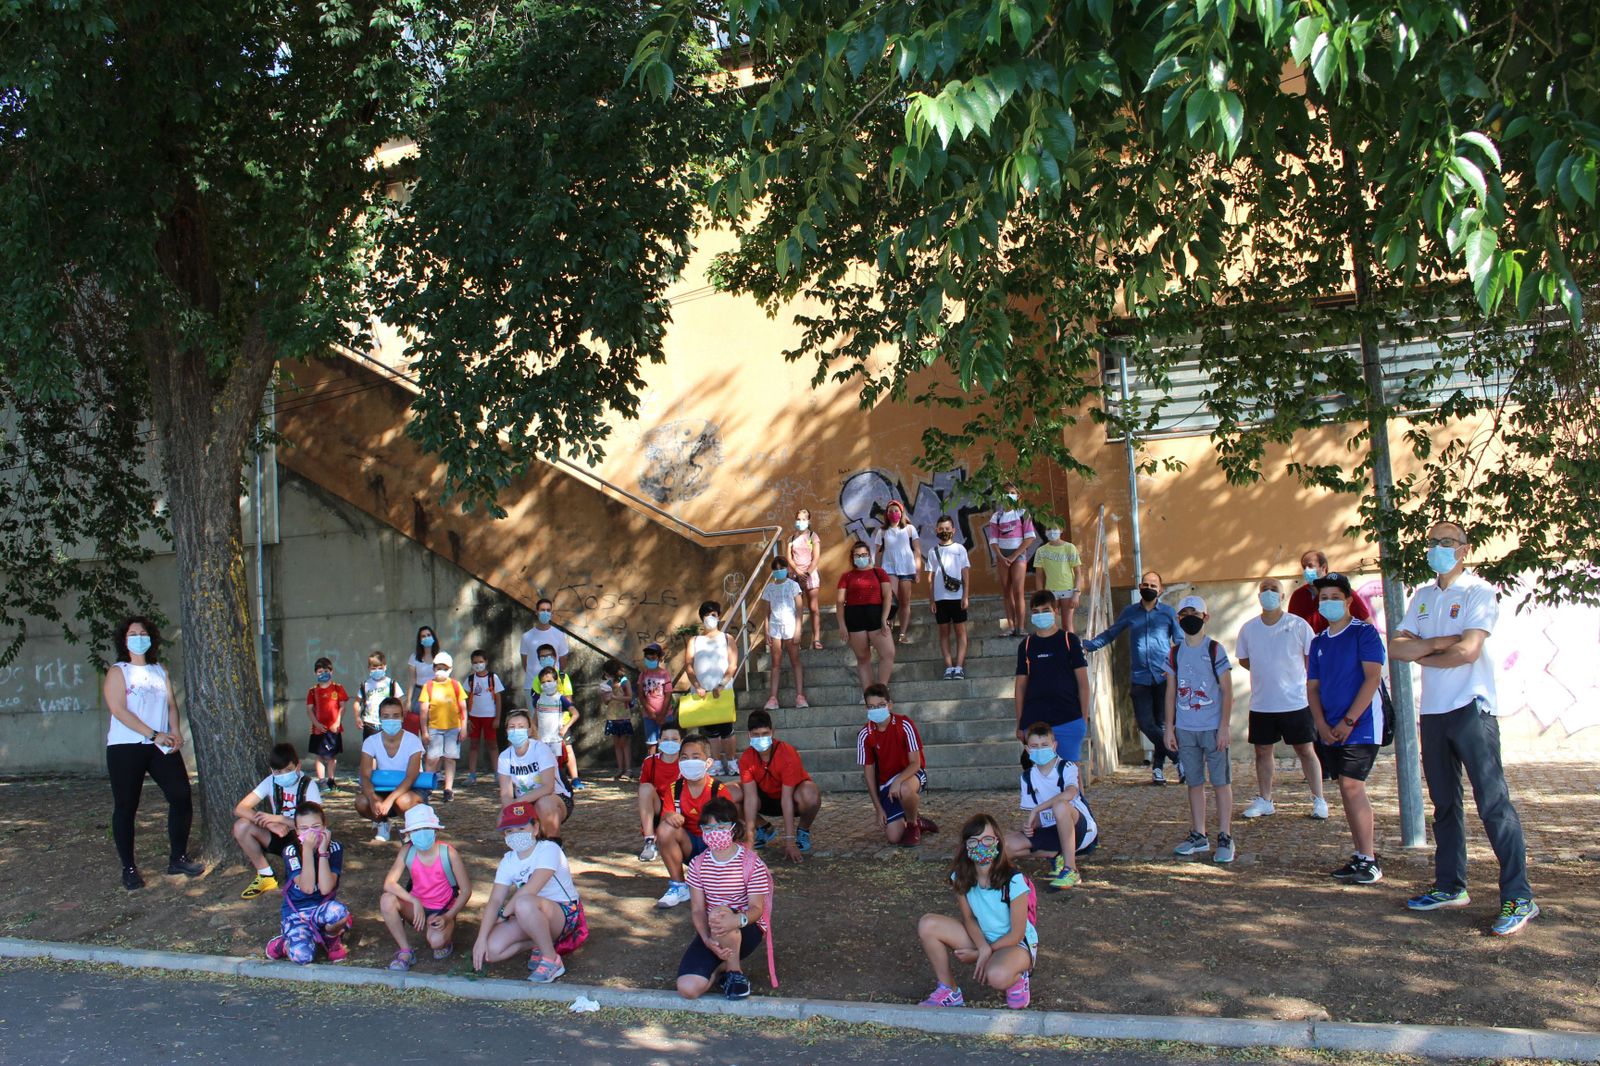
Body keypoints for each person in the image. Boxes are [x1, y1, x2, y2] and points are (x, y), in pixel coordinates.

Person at [1391, 521, 1535, 936]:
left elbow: (1469, 650)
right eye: (1432, 541)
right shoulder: (1421, 596)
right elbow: (1398, 649)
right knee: (1445, 805)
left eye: (1447, 542)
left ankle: (1519, 895)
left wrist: (1425, 649)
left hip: (1472, 708)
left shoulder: (1477, 592)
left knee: (1493, 803)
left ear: (1464, 549)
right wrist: (1441, 644)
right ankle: (1451, 886)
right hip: (1434, 711)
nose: (1438, 547)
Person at [102, 616, 203, 890]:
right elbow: (119, 709)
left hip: (160, 746)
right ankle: (129, 868)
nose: (138, 637)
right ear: (124, 640)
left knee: (181, 795)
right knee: (126, 806)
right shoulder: (118, 671)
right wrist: (153, 733)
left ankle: (178, 858)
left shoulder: (159, 670)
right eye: (132, 633)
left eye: (143, 633)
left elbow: (171, 703)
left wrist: (175, 730)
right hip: (126, 748)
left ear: (151, 638)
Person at [1307, 573, 1387, 886]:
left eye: (1334, 597)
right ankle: (1361, 855)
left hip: (1362, 725)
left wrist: (1348, 721)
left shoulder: (1363, 633)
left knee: (1353, 786)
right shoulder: (1318, 642)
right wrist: (1322, 724)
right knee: (1345, 788)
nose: (1328, 603)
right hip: (1330, 727)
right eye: (1323, 598)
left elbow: (1372, 678)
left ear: (1348, 600)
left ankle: (1370, 860)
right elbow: (1312, 687)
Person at [918, 813, 1038, 1009]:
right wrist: (982, 947)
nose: (981, 846)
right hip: (982, 938)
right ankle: (949, 990)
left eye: (987, 839)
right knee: (928, 924)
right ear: (965, 847)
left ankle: (1018, 976)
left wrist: (981, 953)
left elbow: (1017, 934)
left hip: (1015, 944)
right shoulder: (961, 877)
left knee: (997, 977)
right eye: (974, 841)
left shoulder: (1014, 880)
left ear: (998, 842)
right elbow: (969, 919)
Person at [1236, 576, 1327, 821]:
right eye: (1264, 589)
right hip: (1262, 703)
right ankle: (1265, 800)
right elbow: (1244, 659)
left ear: (1283, 596)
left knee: (1305, 750)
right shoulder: (1249, 628)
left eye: (1273, 589)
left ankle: (1319, 799)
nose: (1268, 593)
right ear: (1258, 596)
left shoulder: (1298, 626)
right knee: (1263, 751)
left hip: (1295, 702)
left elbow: (1311, 659)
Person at [1083, 571, 1184, 784]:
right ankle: (1178, 758)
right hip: (1140, 678)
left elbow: (1180, 642)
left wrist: (1176, 667)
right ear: (1139, 587)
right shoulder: (1130, 612)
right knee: (1146, 724)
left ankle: (1158, 770)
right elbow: (1111, 633)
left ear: (1161, 589)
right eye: (1145, 584)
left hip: (1164, 677)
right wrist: (1089, 645)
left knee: (1163, 726)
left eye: (1153, 585)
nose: (1149, 588)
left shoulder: (1167, 613)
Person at [472, 800, 583, 984]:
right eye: (509, 831)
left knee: (524, 902)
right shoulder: (508, 860)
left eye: (521, 828)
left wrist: (504, 914)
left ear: (536, 827)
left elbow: (531, 888)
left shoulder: (549, 849)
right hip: (528, 914)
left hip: (563, 913)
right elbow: (494, 900)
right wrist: (481, 939)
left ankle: (551, 959)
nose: (515, 835)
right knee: (491, 951)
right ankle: (539, 942)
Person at [675, 796, 775, 1001]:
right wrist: (707, 939)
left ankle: (734, 973)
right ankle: (720, 967)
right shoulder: (698, 864)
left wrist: (737, 920)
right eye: (708, 829)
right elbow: (697, 910)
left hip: (747, 928)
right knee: (688, 988)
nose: (715, 834)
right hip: (713, 930)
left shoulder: (751, 863)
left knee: (720, 912)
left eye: (721, 826)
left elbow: (757, 908)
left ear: (733, 828)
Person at [1164, 595, 1236, 863]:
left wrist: (1224, 727)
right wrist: (1169, 728)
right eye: (1183, 614)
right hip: (1185, 728)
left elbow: (1227, 691)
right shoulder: (1174, 652)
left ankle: (1225, 835)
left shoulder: (1215, 649)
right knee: (1194, 782)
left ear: (1205, 617)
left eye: (1194, 613)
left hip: (1212, 728)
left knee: (1220, 782)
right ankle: (1198, 834)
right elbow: (1170, 692)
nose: (1188, 618)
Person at [1004, 723, 1099, 890]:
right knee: (1004, 846)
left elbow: (1070, 793)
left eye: (1044, 745)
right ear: (1027, 749)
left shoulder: (1067, 767)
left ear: (1054, 746)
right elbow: (1040, 821)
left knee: (1060, 807)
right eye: (1034, 746)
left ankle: (1071, 870)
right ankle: (1056, 854)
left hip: (1080, 831)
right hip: (1051, 830)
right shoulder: (1027, 777)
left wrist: (1037, 809)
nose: (1040, 749)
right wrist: (1031, 826)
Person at [379, 804, 472, 971]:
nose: (421, 833)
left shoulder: (448, 852)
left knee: (437, 944)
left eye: (426, 828)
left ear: (435, 831)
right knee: (387, 900)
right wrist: (414, 901)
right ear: (408, 835)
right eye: (416, 830)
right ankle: (405, 950)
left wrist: (448, 916)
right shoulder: (407, 851)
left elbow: (465, 891)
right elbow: (389, 883)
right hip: (416, 907)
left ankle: (444, 936)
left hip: (442, 909)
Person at [653, 733, 739, 909]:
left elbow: (729, 828)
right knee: (664, 829)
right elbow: (666, 814)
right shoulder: (674, 788)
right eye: (684, 757)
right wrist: (669, 816)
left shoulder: (718, 790)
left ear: (708, 762)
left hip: (714, 847)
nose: (689, 761)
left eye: (695, 757)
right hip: (689, 845)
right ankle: (678, 886)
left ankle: (719, 883)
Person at [232, 742, 322, 899]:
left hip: (304, 840)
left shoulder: (309, 785)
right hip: (278, 835)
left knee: (305, 884)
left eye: (288, 770)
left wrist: (279, 819)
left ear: (298, 766)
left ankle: (305, 873)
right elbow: (240, 808)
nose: (283, 775)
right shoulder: (270, 781)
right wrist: (270, 823)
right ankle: (265, 875)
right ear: (272, 771)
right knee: (241, 826)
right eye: (278, 771)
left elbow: (317, 822)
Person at [267, 803, 352, 965]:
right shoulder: (291, 851)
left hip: (321, 908)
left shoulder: (334, 847)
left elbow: (326, 888)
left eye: (316, 826)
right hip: (297, 913)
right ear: (297, 831)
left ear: (325, 827)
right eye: (304, 828)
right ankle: (283, 944)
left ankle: (331, 938)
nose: (310, 832)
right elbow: (306, 887)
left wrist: (323, 852)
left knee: (340, 912)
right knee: (302, 957)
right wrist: (306, 850)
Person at [1013, 591, 1092, 763]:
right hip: (1034, 722)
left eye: (1046, 610)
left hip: (1068, 718)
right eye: (1036, 611)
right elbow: (1020, 687)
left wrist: (1083, 718)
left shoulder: (1069, 640)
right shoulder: (1025, 645)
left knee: (1070, 771)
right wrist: (1020, 723)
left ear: (1056, 610)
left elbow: (1083, 683)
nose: (1041, 615)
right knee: (1040, 774)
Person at [739, 709, 822, 862]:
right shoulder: (746, 757)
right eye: (756, 735)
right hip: (764, 797)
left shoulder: (787, 753)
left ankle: (802, 830)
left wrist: (789, 842)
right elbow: (750, 798)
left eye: (765, 733)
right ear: (748, 735)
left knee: (810, 793)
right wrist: (749, 840)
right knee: (730, 793)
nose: (761, 738)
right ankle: (763, 828)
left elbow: (786, 798)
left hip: (792, 798)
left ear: (772, 732)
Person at [858, 683, 936, 846]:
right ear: (866, 709)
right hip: (886, 785)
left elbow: (916, 763)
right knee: (893, 837)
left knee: (905, 789)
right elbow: (869, 774)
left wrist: (899, 781)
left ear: (890, 705)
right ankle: (917, 819)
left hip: (912, 775)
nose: (876, 710)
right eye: (871, 707)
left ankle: (913, 825)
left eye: (880, 705)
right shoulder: (865, 734)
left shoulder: (904, 724)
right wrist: (878, 808)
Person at [355, 697, 427, 842]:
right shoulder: (370, 742)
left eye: (395, 716)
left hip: (410, 789)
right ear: (380, 718)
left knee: (403, 801)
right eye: (386, 716)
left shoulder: (413, 741)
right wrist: (373, 797)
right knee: (361, 802)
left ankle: (412, 826)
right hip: (382, 788)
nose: (391, 720)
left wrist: (390, 800)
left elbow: (411, 777)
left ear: (402, 717)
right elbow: (365, 775)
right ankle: (382, 823)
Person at [498, 708, 573, 838]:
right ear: (506, 731)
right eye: (512, 727)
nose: (516, 730)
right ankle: (525, 849)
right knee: (502, 820)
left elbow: (548, 787)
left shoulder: (540, 749)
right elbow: (506, 794)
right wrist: (511, 809)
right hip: (523, 801)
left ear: (529, 730)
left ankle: (553, 843)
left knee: (543, 805)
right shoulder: (504, 757)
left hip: (554, 798)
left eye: (521, 727)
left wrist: (518, 802)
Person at [685, 600, 740, 776]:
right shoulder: (694, 640)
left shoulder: (727, 638)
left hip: (722, 691)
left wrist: (721, 684)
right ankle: (716, 762)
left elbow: (732, 665)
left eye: (714, 614)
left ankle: (732, 762)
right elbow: (689, 665)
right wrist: (697, 685)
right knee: (711, 732)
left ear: (719, 616)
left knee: (727, 730)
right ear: (702, 618)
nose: (711, 618)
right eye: (707, 615)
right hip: (703, 693)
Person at [837, 542, 897, 692]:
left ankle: (882, 691)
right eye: (857, 555)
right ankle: (868, 694)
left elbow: (888, 596)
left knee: (888, 653)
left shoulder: (879, 572)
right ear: (852, 558)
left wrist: (884, 618)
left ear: (869, 556)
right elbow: (839, 602)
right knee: (863, 658)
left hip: (876, 616)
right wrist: (842, 625)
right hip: (854, 617)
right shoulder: (846, 576)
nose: (861, 558)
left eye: (864, 555)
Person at [984, 483, 1037, 637]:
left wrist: (1014, 556)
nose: (1009, 495)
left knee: (1018, 590)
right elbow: (993, 540)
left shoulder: (1022, 513)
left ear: (1018, 496)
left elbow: (1029, 538)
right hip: (1002, 555)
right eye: (1006, 493)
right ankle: (1011, 626)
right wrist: (1000, 557)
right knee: (1006, 591)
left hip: (1018, 554)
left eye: (1013, 492)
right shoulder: (997, 516)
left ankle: (1021, 627)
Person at [925, 514, 972, 680]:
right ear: (936, 531)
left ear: (953, 530)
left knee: (960, 631)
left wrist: (965, 596)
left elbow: (965, 573)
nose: (944, 531)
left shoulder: (960, 549)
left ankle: (959, 667)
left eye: (947, 528)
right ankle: (949, 667)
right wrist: (931, 599)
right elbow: (930, 578)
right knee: (943, 632)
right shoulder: (932, 552)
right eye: (941, 529)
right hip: (940, 599)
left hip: (957, 597)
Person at [760, 556, 810, 711]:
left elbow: (800, 609)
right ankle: (773, 698)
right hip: (775, 627)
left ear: (788, 569)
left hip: (790, 626)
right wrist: (766, 630)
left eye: (782, 568)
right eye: (776, 569)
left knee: (795, 661)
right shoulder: (769, 588)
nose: (779, 571)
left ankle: (800, 696)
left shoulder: (793, 586)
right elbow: (767, 612)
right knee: (775, 663)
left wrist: (798, 629)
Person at [419, 651, 466, 802]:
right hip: (434, 728)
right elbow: (423, 711)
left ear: (450, 669)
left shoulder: (455, 685)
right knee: (432, 758)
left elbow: (463, 708)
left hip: (453, 728)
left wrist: (463, 727)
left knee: (450, 758)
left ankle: (448, 789)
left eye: (444, 668)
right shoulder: (428, 686)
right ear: (433, 668)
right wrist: (424, 731)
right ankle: (427, 787)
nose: (441, 671)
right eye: (438, 667)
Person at [1288, 550, 1374, 634]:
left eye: (1310, 566)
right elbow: (1291, 627)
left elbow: (1367, 624)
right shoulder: (1297, 595)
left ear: (1323, 567)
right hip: (1310, 646)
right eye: (1304, 567)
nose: (1306, 570)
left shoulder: (1344, 593)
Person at [873, 500, 922, 644]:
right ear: (886, 514)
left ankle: (902, 633)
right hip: (889, 568)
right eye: (890, 511)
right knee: (890, 600)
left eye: (896, 511)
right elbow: (877, 553)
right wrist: (876, 572)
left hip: (907, 568)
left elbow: (917, 550)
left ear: (901, 513)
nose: (893, 514)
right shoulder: (882, 531)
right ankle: (888, 626)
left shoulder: (909, 529)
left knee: (905, 601)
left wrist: (917, 571)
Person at [637, 722, 685, 863]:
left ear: (681, 741)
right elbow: (643, 793)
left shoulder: (686, 762)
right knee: (645, 789)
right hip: (659, 807)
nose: (670, 742)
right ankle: (649, 841)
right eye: (665, 739)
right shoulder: (650, 762)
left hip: (680, 808)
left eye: (674, 739)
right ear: (658, 742)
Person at [533, 664, 581, 789]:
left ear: (556, 681)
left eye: (549, 681)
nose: (546, 684)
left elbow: (575, 713)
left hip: (555, 739)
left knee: (555, 765)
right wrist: (533, 733)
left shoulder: (561, 699)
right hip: (542, 739)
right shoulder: (538, 700)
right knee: (542, 764)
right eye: (543, 682)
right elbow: (535, 718)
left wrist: (565, 727)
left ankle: (561, 788)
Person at [463, 649, 505, 786]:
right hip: (474, 717)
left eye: (481, 662)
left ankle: (498, 774)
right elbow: (465, 699)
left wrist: (497, 718)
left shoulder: (493, 678)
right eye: (475, 662)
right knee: (473, 745)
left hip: (490, 717)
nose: (478, 665)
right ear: (471, 663)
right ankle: (472, 775)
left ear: (486, 662)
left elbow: (498, 699)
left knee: (492, 745)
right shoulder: (470, 679)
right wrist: (467, 719)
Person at [1031, 525, 1083, 633]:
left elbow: (1078, 573)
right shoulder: (1041, 551)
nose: (1052, 531)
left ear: (1061, 530)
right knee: (1048, 625)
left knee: (1067, 625)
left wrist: (1076, 593)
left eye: (1055, 528)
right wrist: (1040, 595)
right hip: (1050, 592)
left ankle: (1071, 648)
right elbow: (1039, 575)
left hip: (1068, 590)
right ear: (1045, 531)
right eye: (1049, 529)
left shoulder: (1070, 547)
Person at [785, 508, 824, 649]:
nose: (800, 522)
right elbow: (789, 557)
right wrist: (797, 571)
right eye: (798, 519)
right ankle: (797, 638)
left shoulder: (813, 536)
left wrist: (806, 573)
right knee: (797, 609)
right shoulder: (791, 538)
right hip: (795, 576)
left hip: (810, 574)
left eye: (803, 519)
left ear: (808, 521)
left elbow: (816, 557)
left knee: (814, 608)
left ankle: (817, 639)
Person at [353, 651, 405, 741]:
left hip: (388, 723)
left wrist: (399, 718)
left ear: (385, 667)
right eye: (374, 668)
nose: (377, 670)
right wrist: (357, 717)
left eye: (380, 668)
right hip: (370, 724)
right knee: (370, 751)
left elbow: (400, 702)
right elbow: (357, 702)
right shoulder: (365, 685)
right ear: (369, 668)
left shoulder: (391, 683)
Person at [520, 598, 570, 690]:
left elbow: (563, 660)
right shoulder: (526, 636)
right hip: (532, 687)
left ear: (552, 613)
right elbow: (524, 663)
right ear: (536, 612)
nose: (545, 613)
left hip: (554, 686)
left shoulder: (559, 635)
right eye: (542, 610)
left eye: (548, 610)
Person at [600, 659, 637, 780]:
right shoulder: (607, 684)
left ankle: (628, 769)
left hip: (624, 716)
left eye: (608, 673)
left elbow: (629, 697)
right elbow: (605, 702)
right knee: (616, 744)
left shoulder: (624, 682)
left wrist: (615, 696)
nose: (606, 676)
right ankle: (620, 769)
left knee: (625, 743)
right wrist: (605, 695)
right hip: (612, 716)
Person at [637, 643, 673, 758]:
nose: (650, 660)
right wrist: (650, 712)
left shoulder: (664, 674)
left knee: (667, 744)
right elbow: (641, 695)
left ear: (659, 658)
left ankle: (666, 768)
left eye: (653, 657)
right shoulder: (643, 675)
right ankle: (651, 768)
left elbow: (668, 695)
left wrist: (662, 715)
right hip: (649, 716)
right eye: (648, 657)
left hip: (666, 715)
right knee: (651, 744)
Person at [405, 625, 440, 732]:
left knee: (435, 722)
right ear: (419, 640)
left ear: (433, 637)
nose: (426, 638)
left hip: (437, 692)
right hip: (419, 692)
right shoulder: (414, 657)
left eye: (428, 635)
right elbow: (412, 680)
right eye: (423, 636)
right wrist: (409, 700)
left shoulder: (441, 655)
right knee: (420, 723)